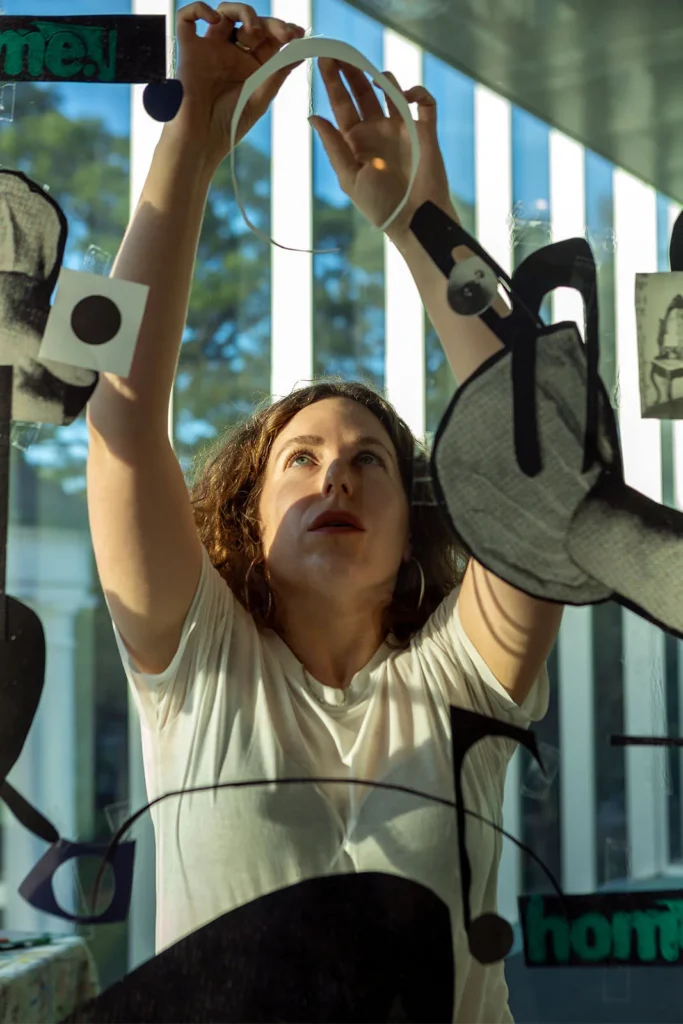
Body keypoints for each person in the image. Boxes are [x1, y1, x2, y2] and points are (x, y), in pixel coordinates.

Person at [85, 4, 564, 1021]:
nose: (332, 478)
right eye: (297, 461)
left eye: (366, 462)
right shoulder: (197, 666)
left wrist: (419, 217)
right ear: (247, 521)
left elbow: (530, 464)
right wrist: (191, 142)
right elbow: (120, 417)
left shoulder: (461, 678)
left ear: (413, 522)